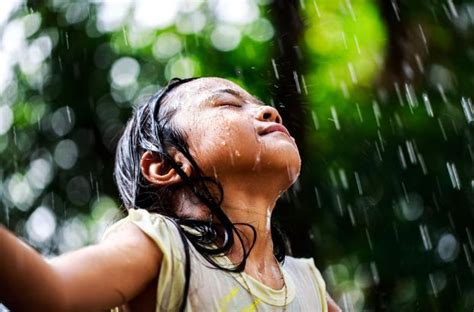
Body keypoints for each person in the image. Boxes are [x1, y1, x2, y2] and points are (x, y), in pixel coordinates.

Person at [0, 77, 341, 311]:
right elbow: (51, 294)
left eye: (260, 104)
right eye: (227, 104)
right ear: (165, 166)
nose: (269, 111)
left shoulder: (308, 286)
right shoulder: (164, 247)